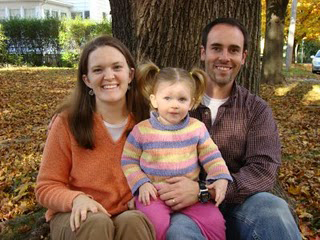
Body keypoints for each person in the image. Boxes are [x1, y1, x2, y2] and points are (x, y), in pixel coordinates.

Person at [159, 18, 301, 240]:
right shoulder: (173, 105)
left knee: (275, 210)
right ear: (203, 52)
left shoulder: (256, 109)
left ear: (243, 57)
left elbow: (263, 169)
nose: (224, 57)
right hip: (187, 211)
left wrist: (204, 191)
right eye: (217, 48)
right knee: (178, 232)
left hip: (242, 205)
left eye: (233, 50)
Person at [35, 35, 155, 240]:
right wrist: (76, 199)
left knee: (133, 221)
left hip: (127, 213)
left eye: (117, 67)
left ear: (130, 74)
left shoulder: (149, 121)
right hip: (78, 215)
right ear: (87, 80)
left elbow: (165, 167)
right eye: (98, 70)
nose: (109, 76)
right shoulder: (67, 122)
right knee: (96, 222)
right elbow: (45, 187)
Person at [121, 62, 233, 240]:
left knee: (216, 221)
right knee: (155, 224)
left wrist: (220, 177)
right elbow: (128, 161)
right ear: (154, 100)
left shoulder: (197, 128)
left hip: (190, 195)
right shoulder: (142, 130)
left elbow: (212, 156)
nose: (175, 105)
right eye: (167, 98)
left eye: (182, 99)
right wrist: (141, 183)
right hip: (154, 194)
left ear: (192, 102)